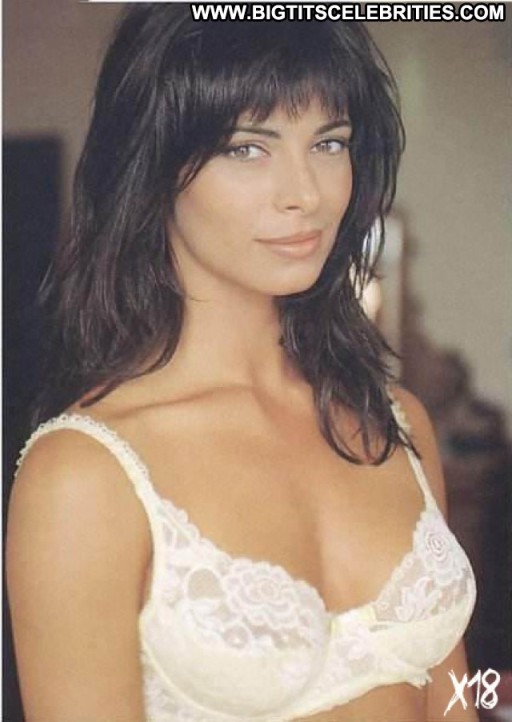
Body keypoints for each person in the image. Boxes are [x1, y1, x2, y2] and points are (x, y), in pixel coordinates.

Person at [6, 6, 477, 722]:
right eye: (247, 149)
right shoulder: (85, 475)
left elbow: (454, 700)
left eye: (329, 143)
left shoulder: (395, 424)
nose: (306, 194)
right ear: (154, 167)